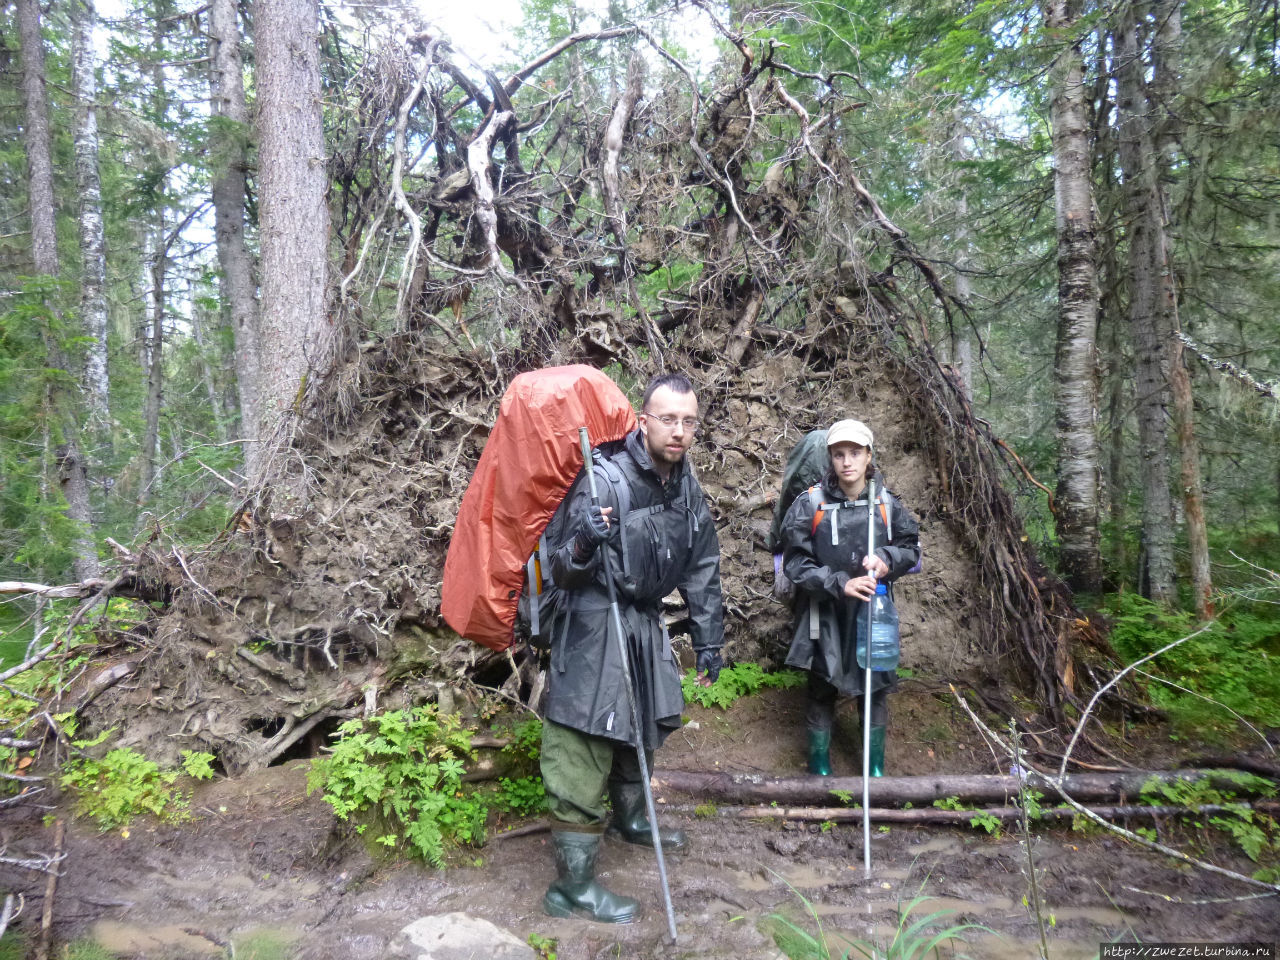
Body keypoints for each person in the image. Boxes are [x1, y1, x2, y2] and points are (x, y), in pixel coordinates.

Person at [540, 372, 725, 923]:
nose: (679, 430)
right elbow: (559, 568)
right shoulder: (602, 478)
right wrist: (582, 543)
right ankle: (571, 889)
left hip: (644, 622)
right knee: (584, 740)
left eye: (689, 421)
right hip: (595, 622)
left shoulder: (685, 485)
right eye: (668, 418)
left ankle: (632, 821)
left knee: (638, 724)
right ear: (643, 421)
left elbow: (702, 562)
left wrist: (709, 636)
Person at [779, 419, 920, 778]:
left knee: (874, 688)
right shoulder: (810, 504)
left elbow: (911, 549)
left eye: (855, 453)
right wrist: (839, 582)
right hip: (823, 612)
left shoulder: (887, 505)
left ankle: (874, 768)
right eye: (839, 454)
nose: (847, 462)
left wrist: (887, 559)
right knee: (822, 683)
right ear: (830, 458)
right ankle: (820, 769)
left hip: (872, 612)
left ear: (868, 455)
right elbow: (794, 563)